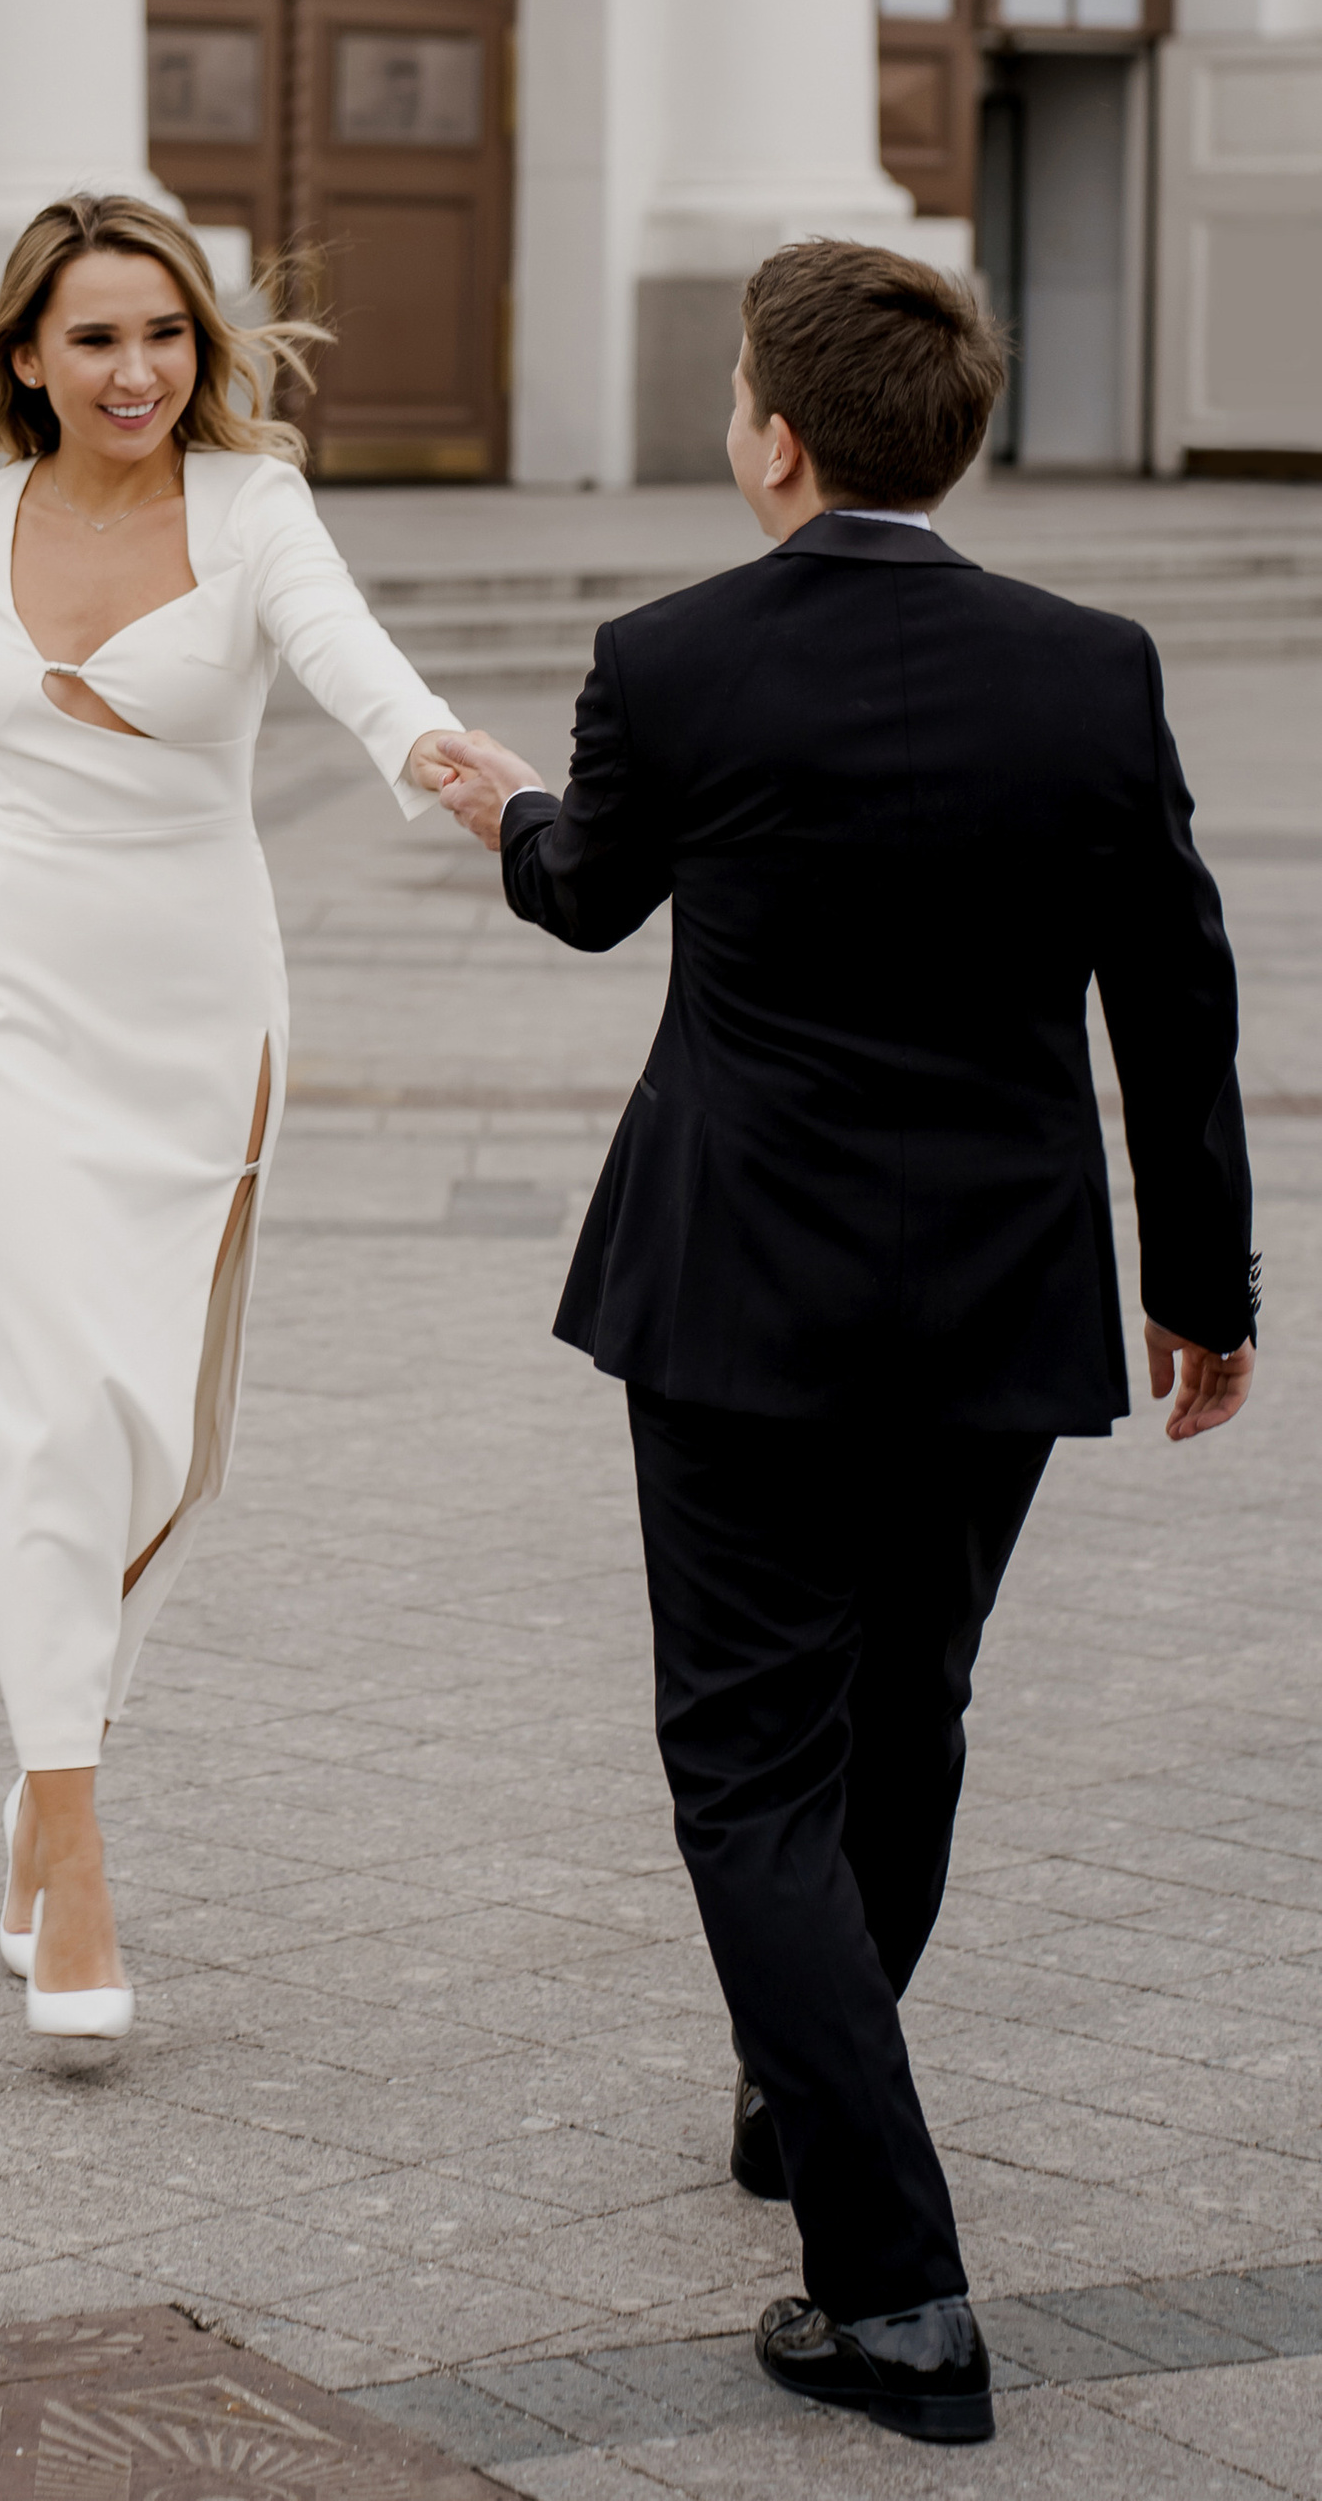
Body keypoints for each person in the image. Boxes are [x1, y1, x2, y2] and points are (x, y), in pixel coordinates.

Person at [435, 239, 1257, 2447]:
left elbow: (587, 893)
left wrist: (493, 804)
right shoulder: (1086, 670)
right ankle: (810, 2090)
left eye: (726, 394)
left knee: (746, 1782)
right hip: (989, 1302)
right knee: (908, 1713)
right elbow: (1171, 992)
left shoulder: (671, 660)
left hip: (734, 1301)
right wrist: (1207, 1283)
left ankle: (891, 2291)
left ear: (772, 438)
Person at [0, 191, 469, 2041]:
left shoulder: (253, 509)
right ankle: (85, 1847)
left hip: (199, 1014)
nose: (137, 372)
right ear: (25, 354)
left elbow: (347, 654)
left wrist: (428, 750)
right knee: (55, 1411)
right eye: (97, 337)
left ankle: (44, 1782)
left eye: (166, 335)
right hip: (2, 1006)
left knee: (171, 1442)